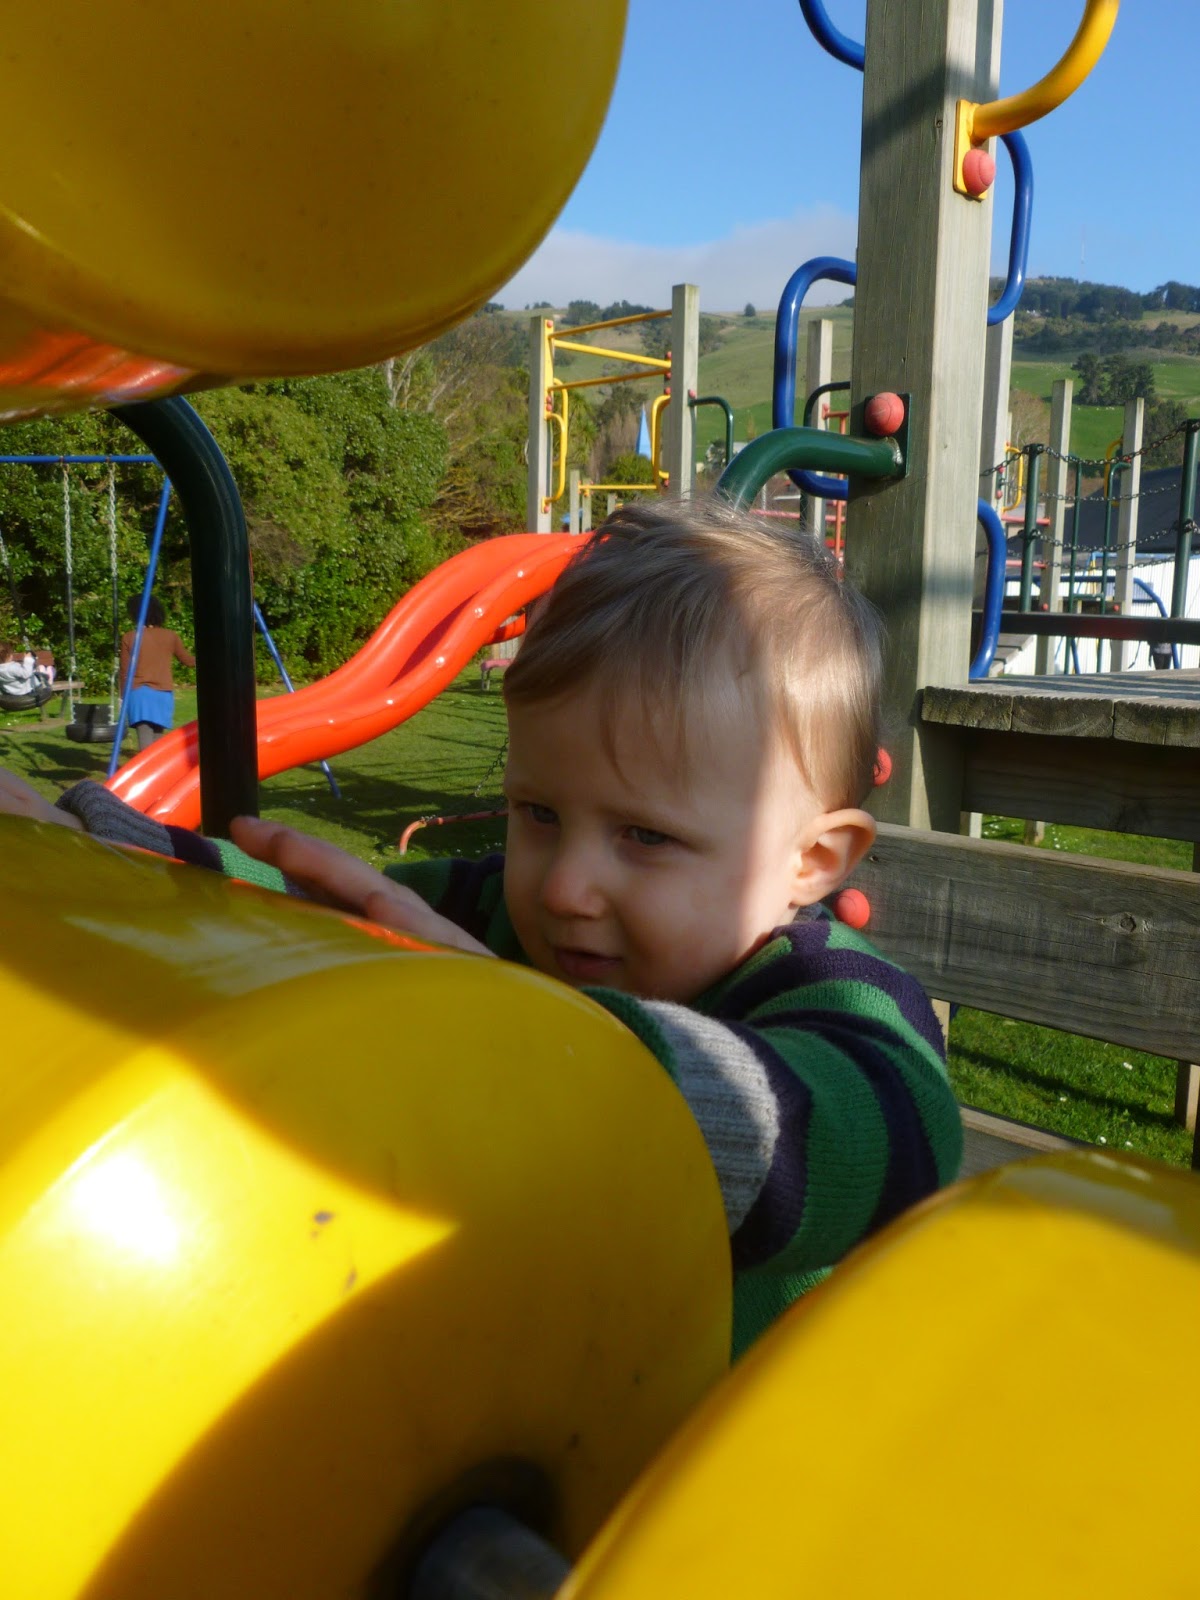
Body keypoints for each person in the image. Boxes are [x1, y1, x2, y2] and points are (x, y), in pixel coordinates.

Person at [2, 499, 962, 1357]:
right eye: (539, 812)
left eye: (645, 835)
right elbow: (321, 913)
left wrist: (543, 1036)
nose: (567, 886)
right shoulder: (488, 909)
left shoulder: (844, 1009)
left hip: (720, 1476)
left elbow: (863, 1148)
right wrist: (107, 848)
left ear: (814, 862)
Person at [119, 593, 195, 750]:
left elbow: (124, 671)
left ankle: (145, 772)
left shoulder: (130, 637)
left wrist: (122, 697)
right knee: (157, 742)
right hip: (162, 694)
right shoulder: (170, 636)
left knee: (145, 740)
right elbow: (189, 661)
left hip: (138, 694)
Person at [0, 642, 54, 707]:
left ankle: (45, 672)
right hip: (26, 690)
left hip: (12, 691)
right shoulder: (12, 667)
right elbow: (26, 674)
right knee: (41, 675)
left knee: (38, 672)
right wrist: (28, 659)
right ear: (8, 655)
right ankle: (49, 676)